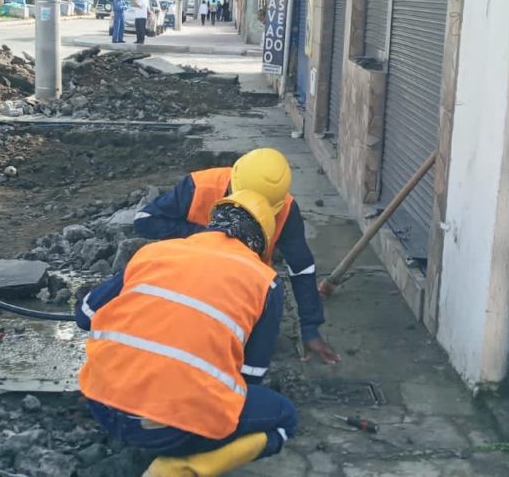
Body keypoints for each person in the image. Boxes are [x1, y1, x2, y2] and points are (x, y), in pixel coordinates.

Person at [78, 191, 297, 476]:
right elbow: (250, 375)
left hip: (103, 406)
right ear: (261, 242)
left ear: (213, 222)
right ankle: (181, 468)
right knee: (285, 418)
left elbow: (84, 316)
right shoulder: (265, 281)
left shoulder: (155, 251)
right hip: (172, 431)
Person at [133, 148, 341, 365]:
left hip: (240, 289)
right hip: (187, 277)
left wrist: (310, 328)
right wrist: (209, 235)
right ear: (232, 184)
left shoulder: (286, 210)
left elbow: (302, 268)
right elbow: (144, 220)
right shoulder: (200, 187)